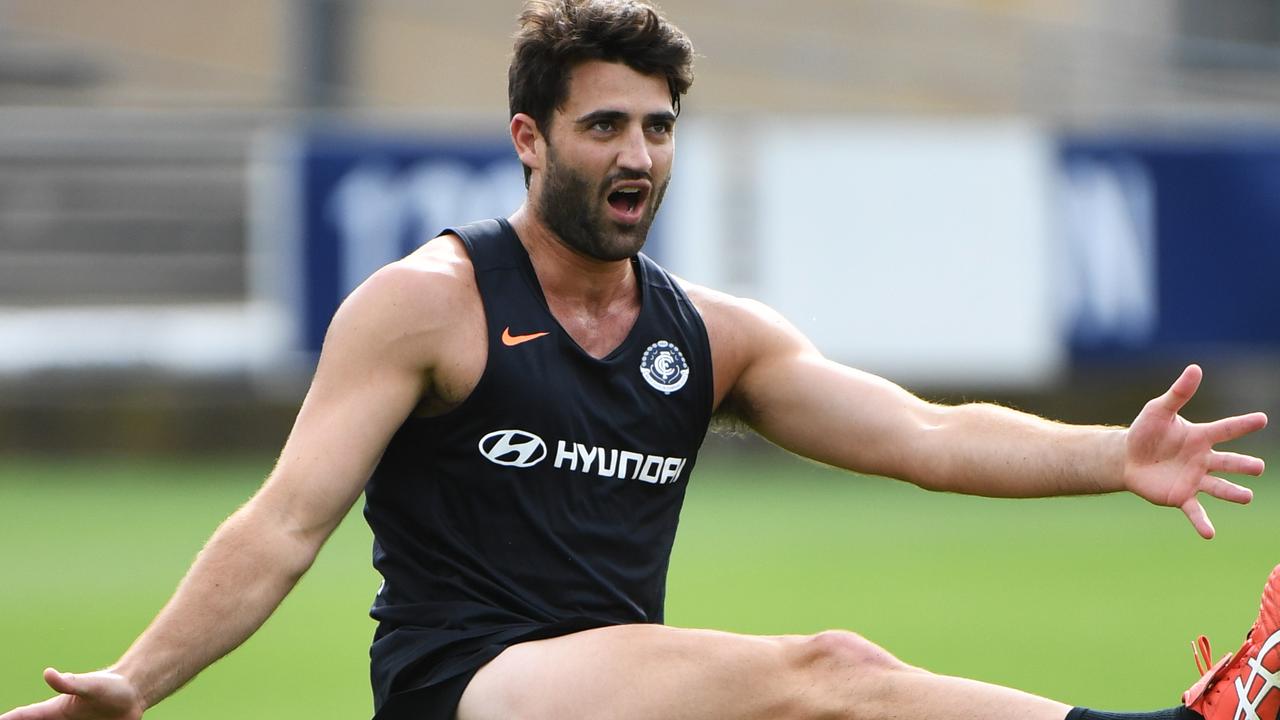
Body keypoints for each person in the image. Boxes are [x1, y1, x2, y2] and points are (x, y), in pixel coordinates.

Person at [3, 1, 1272, 719]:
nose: (637, 155)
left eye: (658, 128)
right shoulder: (423, 307)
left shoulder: (710, 334)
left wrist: (1113, 452)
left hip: (621, 691)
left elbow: (924, 435)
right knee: (828, 673)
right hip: (471, 689)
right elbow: (280, 525)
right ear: (526, 137)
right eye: (603, 124)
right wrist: (137, 681)